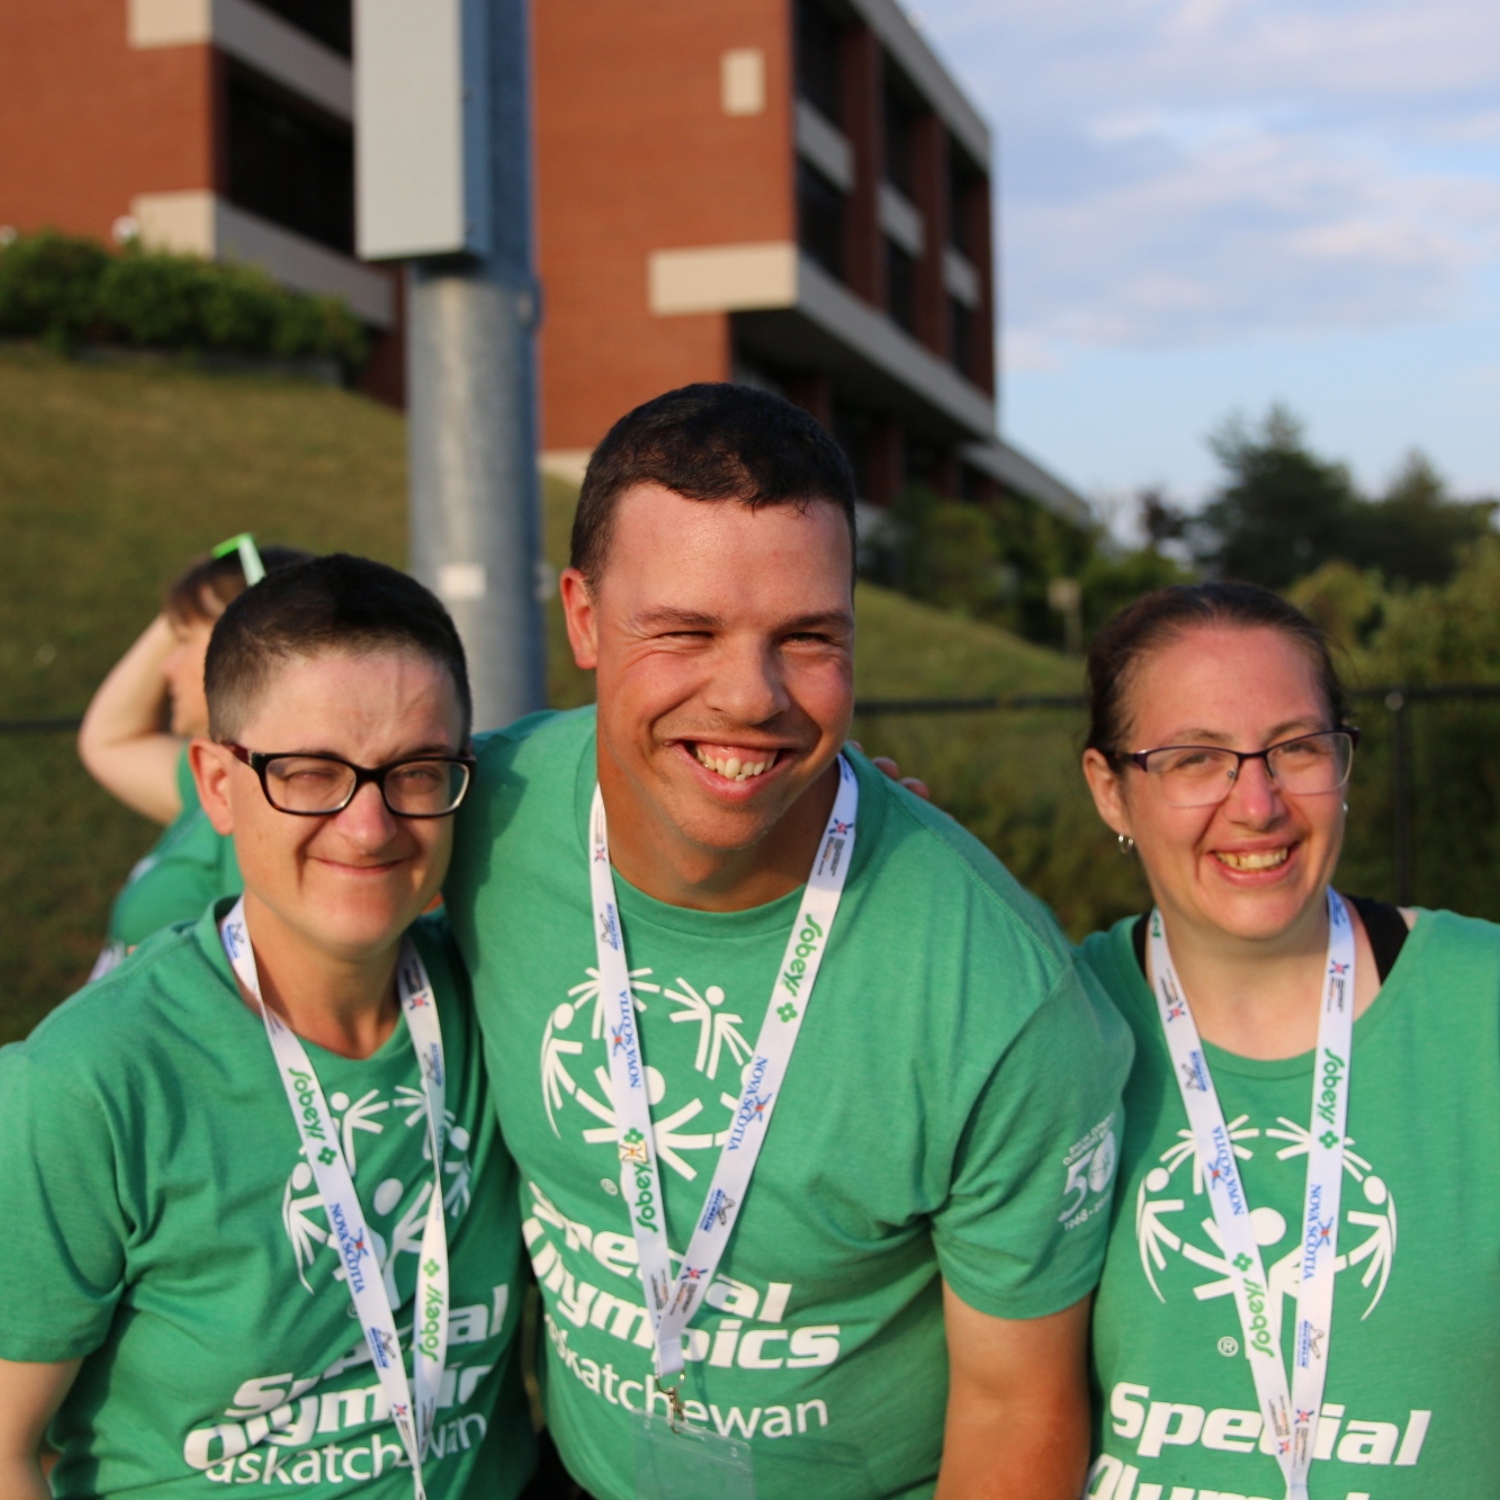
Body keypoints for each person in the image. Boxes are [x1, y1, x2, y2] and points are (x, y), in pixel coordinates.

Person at [442, 383, 1133, 1498]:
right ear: (582, 617)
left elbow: (1020, 1412)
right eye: (684, 631)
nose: (749, 696)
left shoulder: (997, 996)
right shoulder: (483, 813)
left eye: (808, 639)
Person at [0, 556, 533, 1498]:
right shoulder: (86, 1085)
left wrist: (874, 810)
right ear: (216, 783)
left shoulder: (503, 998)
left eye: (415, 772)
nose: (369, 827)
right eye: (311, 773)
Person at [1075, 582, 1500, 1499]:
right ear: (1112, 790)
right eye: (1196, 760)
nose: (1258, 804)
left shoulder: (1484, 1006)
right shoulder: (1052, 1022)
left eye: (1297, 748)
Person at [77, 536, 310, 976]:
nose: (167, 664)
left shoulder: (269, 799)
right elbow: (110, 738)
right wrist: (206, 582)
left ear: (251, 644)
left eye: (183, 638)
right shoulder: (216, 776)